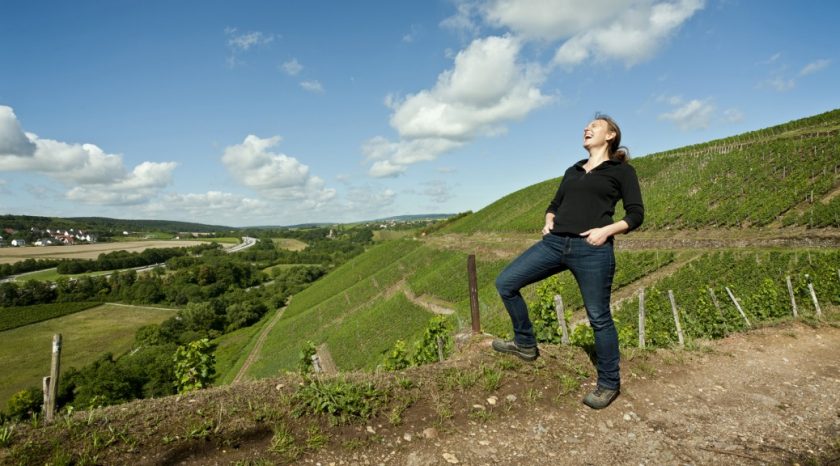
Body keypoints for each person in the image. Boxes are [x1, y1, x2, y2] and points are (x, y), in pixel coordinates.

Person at [492, 114, 644, 410]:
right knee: (506, 283)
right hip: (554, 243)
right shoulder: (573, 170)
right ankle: (524, 343)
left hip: (592, 248)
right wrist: (549, 220)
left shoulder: (622, 171)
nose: (587, 128)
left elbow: (636, 214)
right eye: (587, 126)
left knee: (599, 317)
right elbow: (554, 205)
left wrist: (606, 231)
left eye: (595, 126)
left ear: (611, 135)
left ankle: (609, 383)